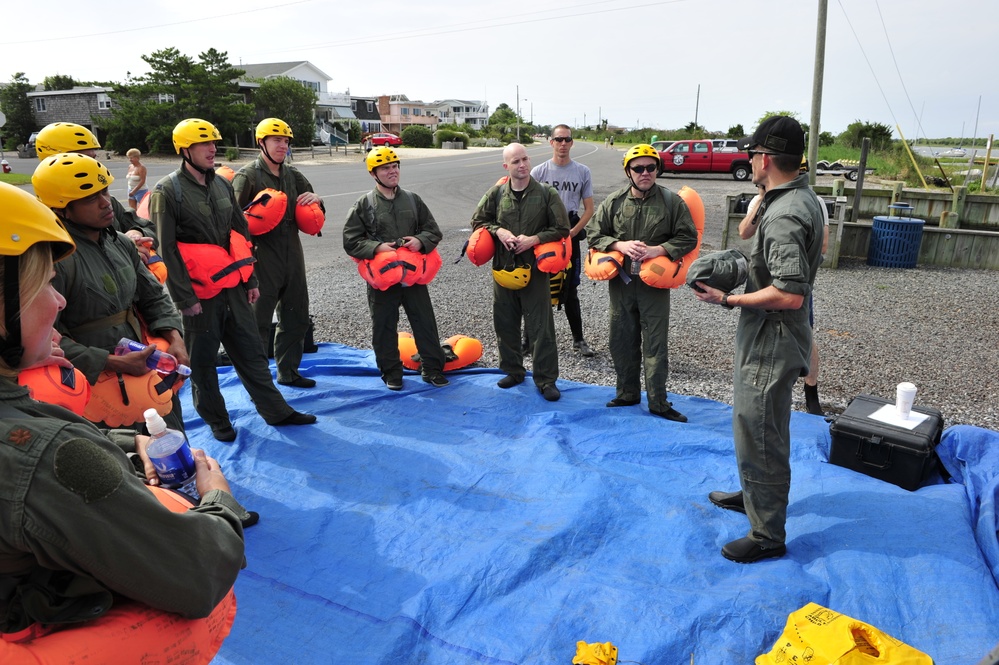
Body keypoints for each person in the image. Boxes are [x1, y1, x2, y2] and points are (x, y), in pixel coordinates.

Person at [0, 181, 245, 640]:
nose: (59, 302)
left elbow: (153, 296)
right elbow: (196, 571)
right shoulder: (46, 455)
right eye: (45, 286)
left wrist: (127, 441)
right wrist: (218, 499)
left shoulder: (119, 245)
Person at [693, 116, 824, 563]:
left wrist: (728, 300)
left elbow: (789, 293)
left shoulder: (786, 212)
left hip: (773, 334)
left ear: (765, 159)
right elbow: (766, 258)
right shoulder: (791, 196)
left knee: (762, 429)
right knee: (753, 424)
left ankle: (768, 533)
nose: (748, 160)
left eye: (751, 154)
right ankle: (754, 497)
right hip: (769, 331)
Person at [150, 118, 316, 442]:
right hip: (201, 294)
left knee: (252, 351)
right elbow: (166, 249)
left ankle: (276, 411)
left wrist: (251, 279)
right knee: (203, 362)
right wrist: (185, 299)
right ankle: (218, 420)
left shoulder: (222, 184)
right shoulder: (167, 191)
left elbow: (239, 232)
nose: (213, 149)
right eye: (205, 145)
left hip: (234, 287)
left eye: (214, 143)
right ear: (185, 150)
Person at [31, 153, 188, 433]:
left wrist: (175, 338)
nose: (106, 202)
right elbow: (41, 340)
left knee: (173, 441)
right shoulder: (54, 261)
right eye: (91, 198)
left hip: (145, 372)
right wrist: (111, 362)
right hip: (96, 390)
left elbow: (153, 296)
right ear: (62, 209)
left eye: (104, 191)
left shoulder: (120, 243)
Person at [584, 144, 697, 422]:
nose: (645, 173)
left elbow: (688, 237)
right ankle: (627, 393)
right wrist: (619, 244)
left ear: (657, 169)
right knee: (622, 338)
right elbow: (593, 233)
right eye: (638, 168)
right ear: (628, 172)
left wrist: (659, 250)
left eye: (651, 167)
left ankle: (658, 402)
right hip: (622, 284)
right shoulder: (614, 202)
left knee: (655, 344)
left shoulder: (672, 203)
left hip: (654, 286)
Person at [342, 147, 449, 390]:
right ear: (374, 173)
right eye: (385, 168)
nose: (392, 171)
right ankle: (391, 373)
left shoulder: (412, 199)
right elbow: (351, 241)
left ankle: (432, 369)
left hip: (413, 277)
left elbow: (433, 230)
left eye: (395, 166)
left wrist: (421, 241)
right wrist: (377, 247)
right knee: (383, 327)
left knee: (425, 323)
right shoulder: (364, 204)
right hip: (383, 279)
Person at [471, 143, 570, 402]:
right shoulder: (495, 194)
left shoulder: (547, 194)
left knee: (541, 327)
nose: (522, 164)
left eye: (525, 159)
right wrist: (499, 231)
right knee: (505, 323)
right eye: (515, 161)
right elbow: (478, 221)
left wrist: (534, 239)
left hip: (535, 271)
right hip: (503, 269)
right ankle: (513, 371)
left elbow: (562, 228)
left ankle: (546, 379)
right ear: (507, 166)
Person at [232, 118, 321, 389]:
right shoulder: (247, 176)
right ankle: (257, 382)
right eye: (276, 140)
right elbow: (232, 222)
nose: (282, 146)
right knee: (257, 321)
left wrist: (316, 202)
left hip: (292, 251)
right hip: (261, 255)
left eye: (285, 141)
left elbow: (314, 204)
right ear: (262, 143)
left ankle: (288, 372)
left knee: (296, 316)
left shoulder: (293, 175)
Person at [739, 178, 829, 417]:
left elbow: (824, 245)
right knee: (761, 335)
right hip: (763, 284)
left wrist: (795, 272)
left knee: (805, 335)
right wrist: (760, 202)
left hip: (793, 281)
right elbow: (744, 232)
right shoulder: (760, 201)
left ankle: (812, 393)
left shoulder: (812, 202)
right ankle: (766, 392)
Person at [34, 122, 157, 261]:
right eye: (82, 159)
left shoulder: (108, 201)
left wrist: (135, 234)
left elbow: (147, 227)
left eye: (93, 159)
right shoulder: (43, 224)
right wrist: (126, 252)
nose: (93, 166)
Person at [528, 124, 595, 357]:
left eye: (567, 139)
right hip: (544, 237)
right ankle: (529, 340)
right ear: (551, 142)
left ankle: (579, 340)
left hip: (569, 237)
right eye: (559, 139)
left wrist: (574, 232)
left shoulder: (582, 172)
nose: (563, 144)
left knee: (570, 289)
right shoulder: (539, 172)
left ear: (572, 142)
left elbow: (588, 208)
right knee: (536, 288)